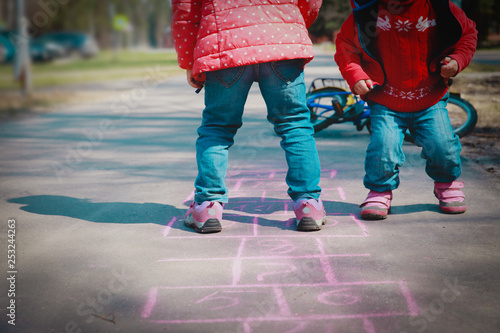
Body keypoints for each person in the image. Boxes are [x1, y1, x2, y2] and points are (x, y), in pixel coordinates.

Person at [171, 0, 326, 233]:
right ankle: (308, 205)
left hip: (224, 43)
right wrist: (292, 22)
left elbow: (185, 12)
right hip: (281, 39)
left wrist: (188, 60)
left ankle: (208, 206)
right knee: (294, 124)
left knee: (217, 127)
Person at [334, 0, 477, 220]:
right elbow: (346, 47)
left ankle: (446, 183)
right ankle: (379, 190)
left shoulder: (439, 7)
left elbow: (468, 33)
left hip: (429, 97)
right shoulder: (369, 11)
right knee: (384, 147)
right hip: (385, 99)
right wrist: (356, 75)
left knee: (442, 145)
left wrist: (458, 60)